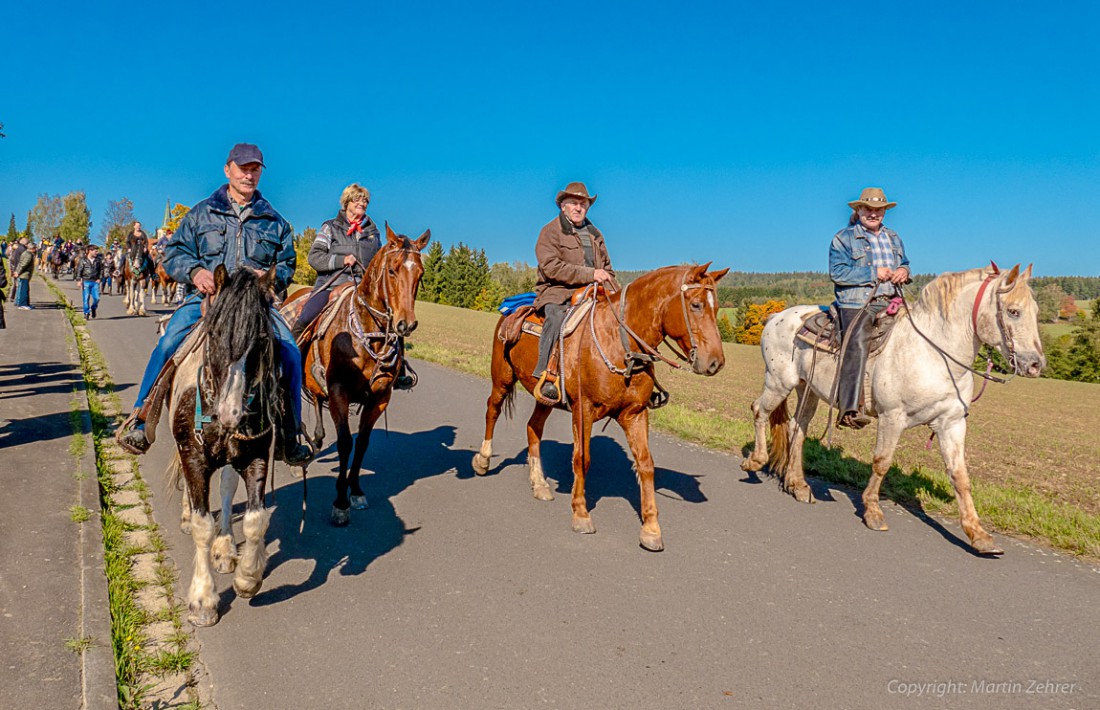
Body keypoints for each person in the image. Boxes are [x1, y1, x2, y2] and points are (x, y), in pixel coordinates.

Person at [116, 143, 313, 465]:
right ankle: (141, 419)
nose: (249, 174)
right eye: (244, 168)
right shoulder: (202, 212)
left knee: (289, 350)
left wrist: (272, 277)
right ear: (228, 169)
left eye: (255, 169)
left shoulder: (274, 221)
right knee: (168, 344)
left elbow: (287, 263)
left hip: (255, 304)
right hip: (207, 299)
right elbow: (175, 253)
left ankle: (291, 434)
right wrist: (195, 272)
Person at [292, 183, 415, 389]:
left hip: (362, 291)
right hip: (332, 285)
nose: (362, 203)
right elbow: (314, 258)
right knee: (305, 318)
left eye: (365, 200)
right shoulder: (329, 227)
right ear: (347, 202)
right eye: (357, 199)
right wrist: (341, 260)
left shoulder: (373, 233)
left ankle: (398, 371)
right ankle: (290, 362)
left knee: (393, 322)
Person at [828, 187, 910, 429]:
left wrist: (904, 271)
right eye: (869, 209)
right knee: (857, 342)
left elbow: (904, 262)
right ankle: (850, 409)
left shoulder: (894, 238)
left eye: (879, 210)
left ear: (884, 212)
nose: (874, 214)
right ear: (859, 210)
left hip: (892, 299)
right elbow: (837, 273)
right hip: (857, 302)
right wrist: (872, 273)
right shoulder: (843, 238)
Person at [532, 181, 618, 403]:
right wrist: (591, 274)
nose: (579, 207)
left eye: (583, 203)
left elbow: (607, 269)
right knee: (556, 317)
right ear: (563, 206)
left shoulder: (595, 234)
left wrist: (615, 293)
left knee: (621, 320)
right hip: (557, 290)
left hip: (595, 291)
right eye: (574, 203)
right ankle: (546, 374)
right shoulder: (550, 232)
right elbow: (551, 267)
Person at [77, 244, 104, 318]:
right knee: (86, 298)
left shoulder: (98, 260)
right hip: (86, 281)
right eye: (95, 251)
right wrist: (79, 280)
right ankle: (86, 312)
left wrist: (100, 278)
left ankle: (93, 308)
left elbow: (101, 270)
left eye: (97, 251)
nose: (96, 252)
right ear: (90, 251)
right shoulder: (83, 260)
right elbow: (79, 270)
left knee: (97, 298)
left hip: (95, 282)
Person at [14, 239, 36, 309]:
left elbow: (20, 263)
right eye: (35, 248)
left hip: (24, 274)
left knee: (26, 289)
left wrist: (17, 271)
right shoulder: (29, 255)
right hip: (24, 275)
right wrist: (18, 272)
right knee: (24, 289)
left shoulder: (26, 253)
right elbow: (23, 265)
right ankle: (22, 304)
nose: (35, 250)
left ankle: (26, 303)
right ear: (32, 248)